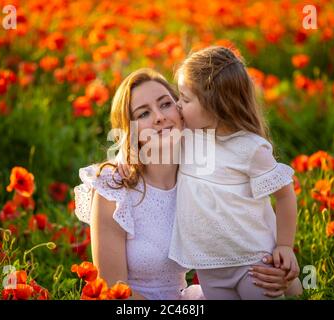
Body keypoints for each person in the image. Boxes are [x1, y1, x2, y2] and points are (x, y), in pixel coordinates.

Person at [74, 68, 298, 300]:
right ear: (131, 131)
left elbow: (254, 227)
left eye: (165, 104)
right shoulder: (114, 189)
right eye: (143, 114)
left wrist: (282, 269)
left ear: (181, 110)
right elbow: (113, 288)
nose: (159, 117)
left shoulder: (203, 173)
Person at [166, 46, 302, 299]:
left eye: (185, 99)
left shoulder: (249, 147)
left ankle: (295, 288)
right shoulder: (185, 139)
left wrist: (284, 245)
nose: (177, 104)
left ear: (215, 105)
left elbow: (285, 195)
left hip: (254, 261)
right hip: (209, 266)